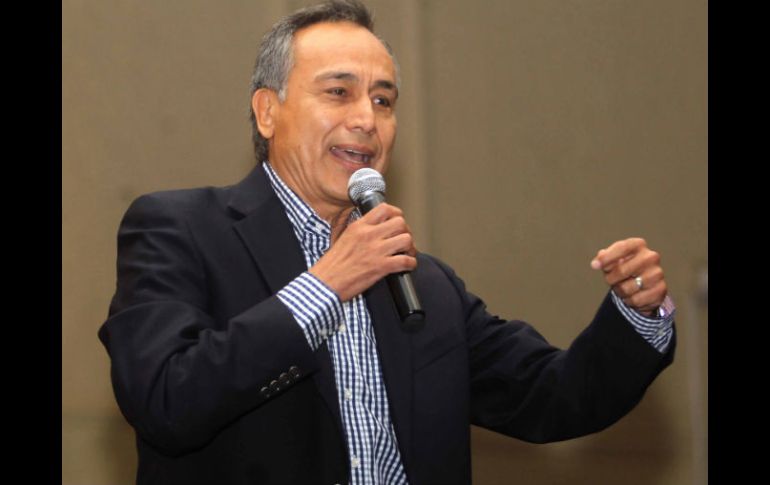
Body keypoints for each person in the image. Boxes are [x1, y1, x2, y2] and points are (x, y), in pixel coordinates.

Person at [98, 1, 676, 484]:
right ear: (268, 112)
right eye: (338, 92)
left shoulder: (425, 283)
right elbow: (166, 400)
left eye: (383, 100)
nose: (367, 120)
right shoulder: (181, 229)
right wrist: (326, 285)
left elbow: (557, 398)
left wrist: (636, 313)